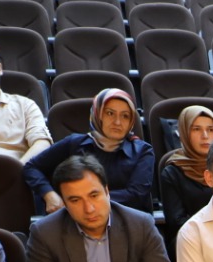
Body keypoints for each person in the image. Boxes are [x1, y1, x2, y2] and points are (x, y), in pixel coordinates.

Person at [21, 156, 178, 262]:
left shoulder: (140, 225)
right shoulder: (45, 233)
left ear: (107, 191)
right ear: (65, 203)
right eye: (75, 200)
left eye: (94, 195)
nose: (89, 209)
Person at [22, 89, 154, 214]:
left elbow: (136, 196)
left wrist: (78, 200)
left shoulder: (142, 151)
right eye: (110, 113)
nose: (118, 122)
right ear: (97, 114)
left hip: (124, 220)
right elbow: (31, 167)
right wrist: (49, 194)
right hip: (73, 219)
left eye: (125, 116)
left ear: (131, 121)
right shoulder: (74, 143)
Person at [157, 104, 213, 235]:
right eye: (196, 129)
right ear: (184, 133)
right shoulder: (172, 173)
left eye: (210, 129)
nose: (205, 135)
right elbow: (176, 223)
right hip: (194, 238)